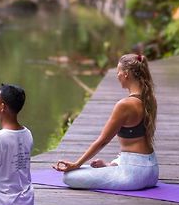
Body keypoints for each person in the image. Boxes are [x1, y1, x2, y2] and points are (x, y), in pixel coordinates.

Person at [53, 53, 159, 191]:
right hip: (152, 171)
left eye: (118, 72)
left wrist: (76, 164)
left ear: (126, 74)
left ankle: (109, 168)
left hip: (135, 174)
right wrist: (110, 165)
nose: (117, 76)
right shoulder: (150, 99)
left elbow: (102, 141)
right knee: (88, 168)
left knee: (70, 176)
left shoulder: (125, 105)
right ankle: (112, 167)